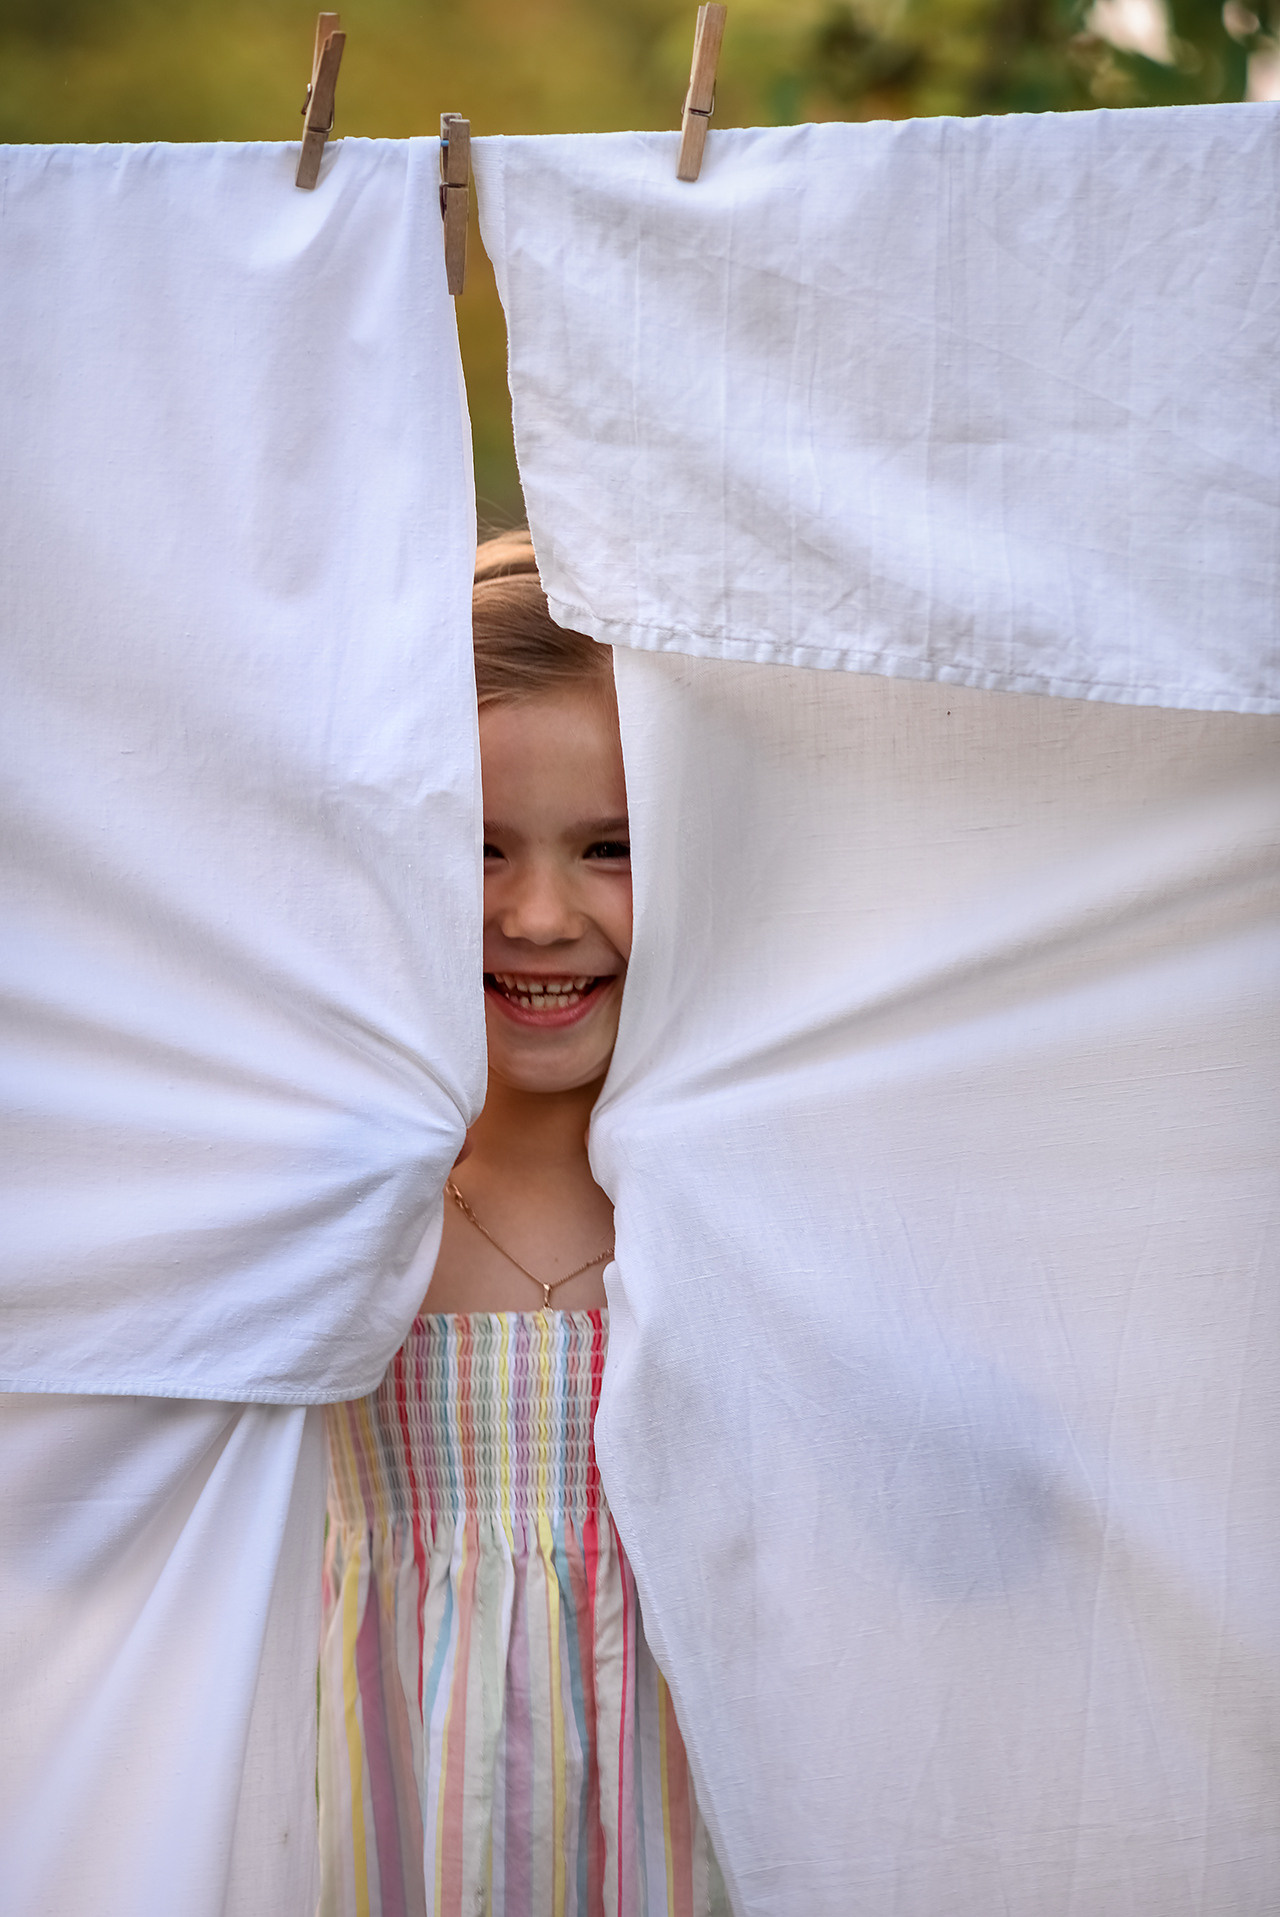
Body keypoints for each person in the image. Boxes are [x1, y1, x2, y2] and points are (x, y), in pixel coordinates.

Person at [318, 531, 729, 1917]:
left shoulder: (760, 1210)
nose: (538, 914)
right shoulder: (331, 1209)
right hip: (377, 1844)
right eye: (475, 847)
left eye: (611, 847)